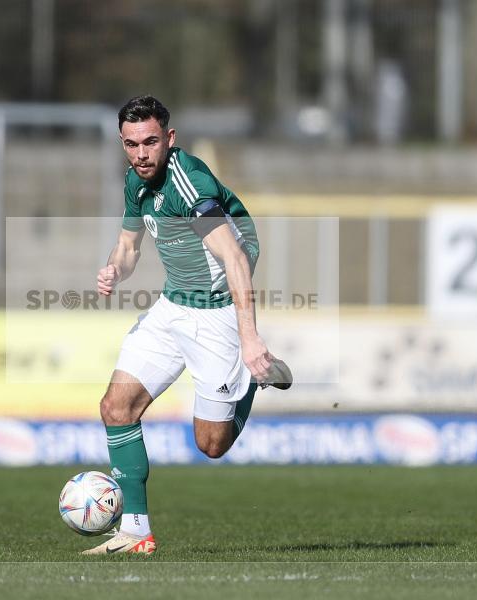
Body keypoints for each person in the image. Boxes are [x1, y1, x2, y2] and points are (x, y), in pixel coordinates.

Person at [84, 95, 291, 555]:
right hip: (172, 305)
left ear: (169, 139)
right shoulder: (134, 184)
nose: (142, 153)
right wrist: (114, 269)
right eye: (132, 144)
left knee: (210, 445)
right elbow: (129, 247)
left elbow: (235, 256)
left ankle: (255, 378)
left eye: (151, 142)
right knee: (116, 408)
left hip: (217, 313)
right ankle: (135, 533)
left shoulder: (189, 182)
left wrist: (250, 338)